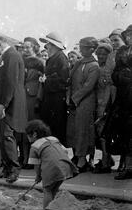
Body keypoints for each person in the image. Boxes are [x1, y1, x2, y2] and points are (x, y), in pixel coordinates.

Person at [0, 34, 27, 183]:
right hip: (8, 102)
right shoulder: (8, 56)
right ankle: (7, 168)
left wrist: (4, 104)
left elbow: (11, 83)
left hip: (10, 103)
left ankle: (13, 168)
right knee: (2, 136)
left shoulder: (11, 56)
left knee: (6, 136)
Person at [26, 120, 78, 210]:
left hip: (52, 168)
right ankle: (52, 209)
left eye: (27, 135)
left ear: (34, 134)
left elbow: (36, 165)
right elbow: (65, 151)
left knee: (47, 190)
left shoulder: (34, 146)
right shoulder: (54, 139)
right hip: (65, 166)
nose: (27, 138)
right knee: (53, 189)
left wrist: (38, 176)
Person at [68, 37, 100, 172]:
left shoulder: (94, 66)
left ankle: (82, 160)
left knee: (83, 130)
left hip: (86, 101)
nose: (80, 49)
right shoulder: (80, 63)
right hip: (75, 101)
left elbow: (88, 86)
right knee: (74, 130)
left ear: (92, 49)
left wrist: (75, 98)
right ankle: (77, 156)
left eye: (83, 47)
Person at [39, 32, 69, 146]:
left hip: (56, 100)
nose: (46, 46)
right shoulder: (54, 58)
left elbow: (63, 80)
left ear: (54, 45)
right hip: (50, 99)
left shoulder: (61, 58)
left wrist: (46, 80)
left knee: (56, 129)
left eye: (49, 44)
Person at [20, 37, 45, 169]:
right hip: (23, 96)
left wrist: (39, 99)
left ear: (35, 47)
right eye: (23, 47)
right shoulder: (21, 61)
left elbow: (43, 83)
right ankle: (25, 158)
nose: (25, 50)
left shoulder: (40, 62)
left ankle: (34, 159)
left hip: (33, 97)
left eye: (28, 47)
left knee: (33, 128)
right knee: (23, 128)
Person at [111, 25, 132, 180]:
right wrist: (121, 76)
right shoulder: (122, 52)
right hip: (124, 97)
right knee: (126, 133)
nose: (130, 37)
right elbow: (115, 73)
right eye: (128, 35)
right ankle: (128, 167)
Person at [93, 42, 114, 173]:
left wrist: (106, 107)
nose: (101, 55)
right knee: (99, 133)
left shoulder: (108, 69)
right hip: (97, 102)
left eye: (104, 54)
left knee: (103, 133)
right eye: (99, 53)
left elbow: (109, 89)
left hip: (104, 103)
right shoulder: (98, 67)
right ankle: (106, 158)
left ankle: (106, 161)